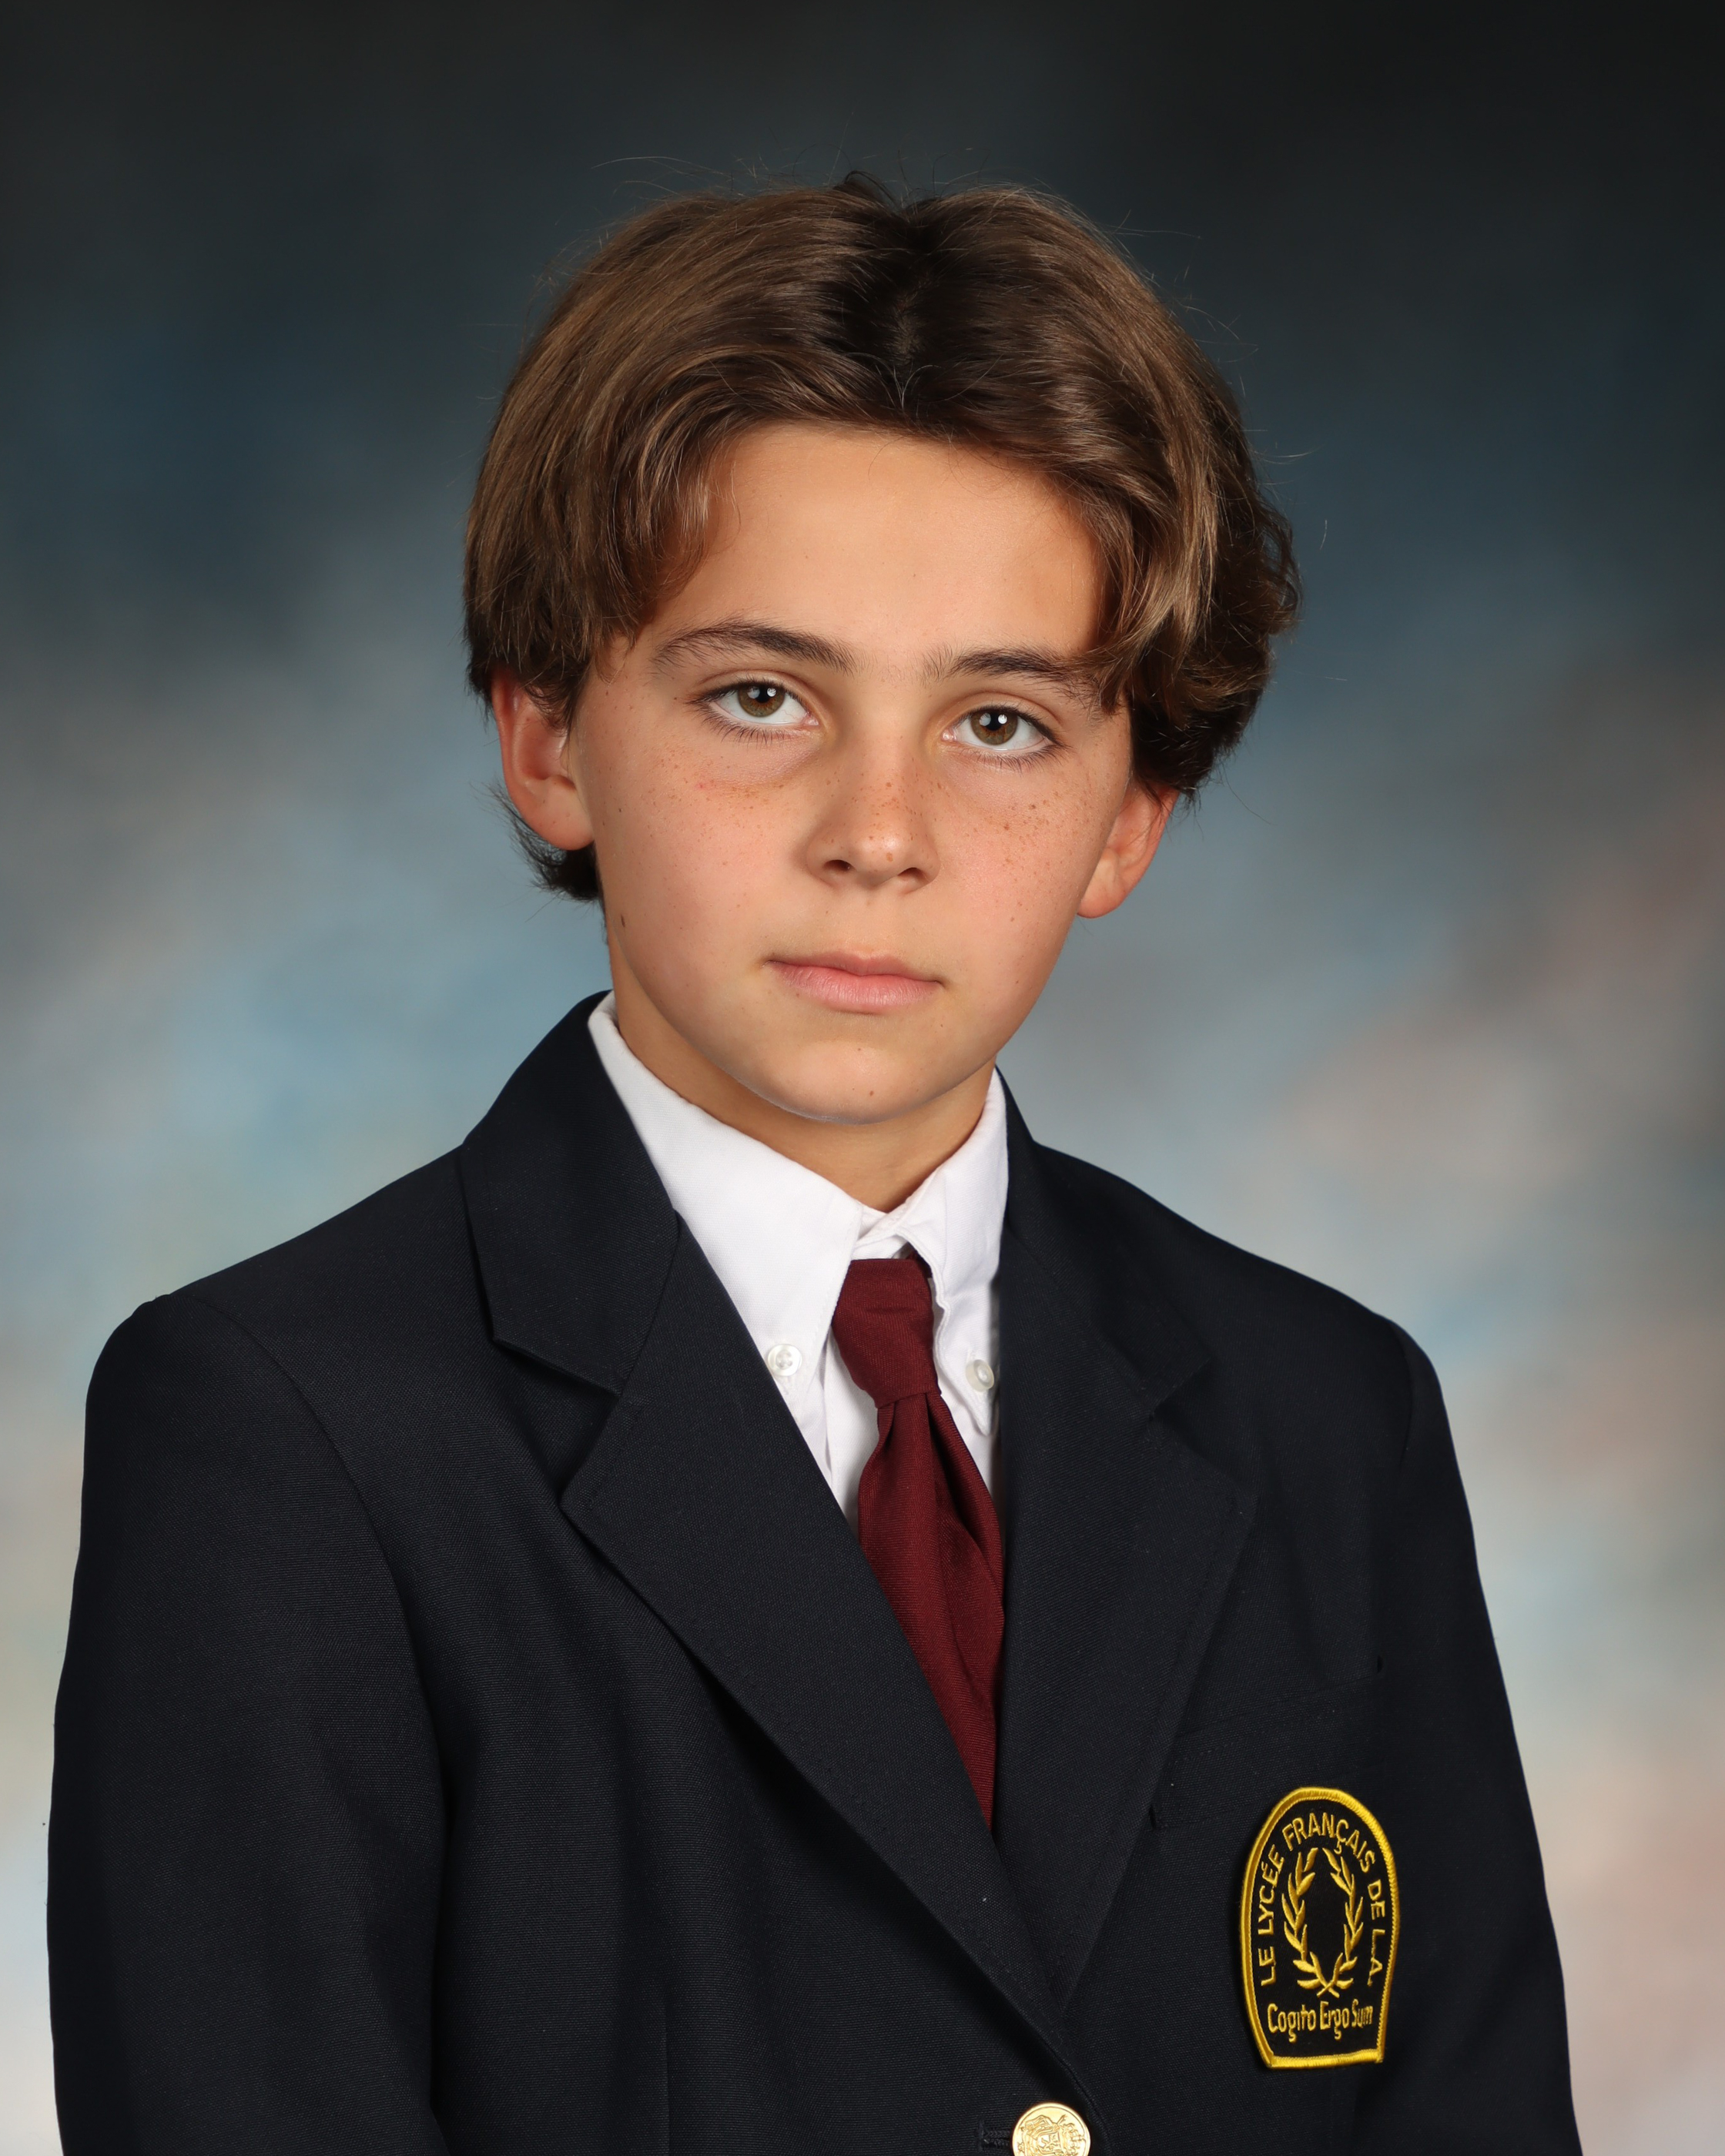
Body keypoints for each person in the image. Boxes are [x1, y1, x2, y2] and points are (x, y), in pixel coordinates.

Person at [48, 176, 1581, 2154]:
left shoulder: (1327, 1417)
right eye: (760, 697)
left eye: (1000, 721)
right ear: (547, 738)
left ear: (1132, 812)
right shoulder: (289, 1432)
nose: (880, 830)